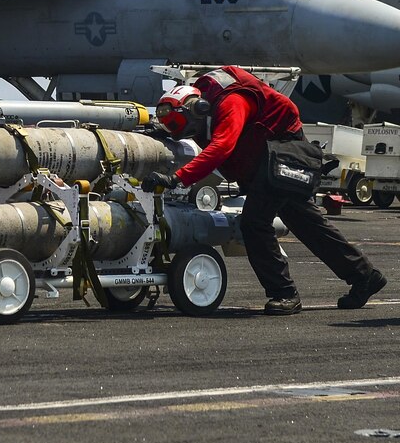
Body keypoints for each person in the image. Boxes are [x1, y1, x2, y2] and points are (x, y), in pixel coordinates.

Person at [143, 66, 386, 315]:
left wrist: (177, 178)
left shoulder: (231, 103)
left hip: (281, 155)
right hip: (266, 161)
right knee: (308, 223)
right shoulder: (202, 105)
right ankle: (365, 276)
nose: (189, 135)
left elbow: (222, 146)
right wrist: (165, 130)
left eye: (187, 128)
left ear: (199, 108)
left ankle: (284, 293)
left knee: (254, 223)